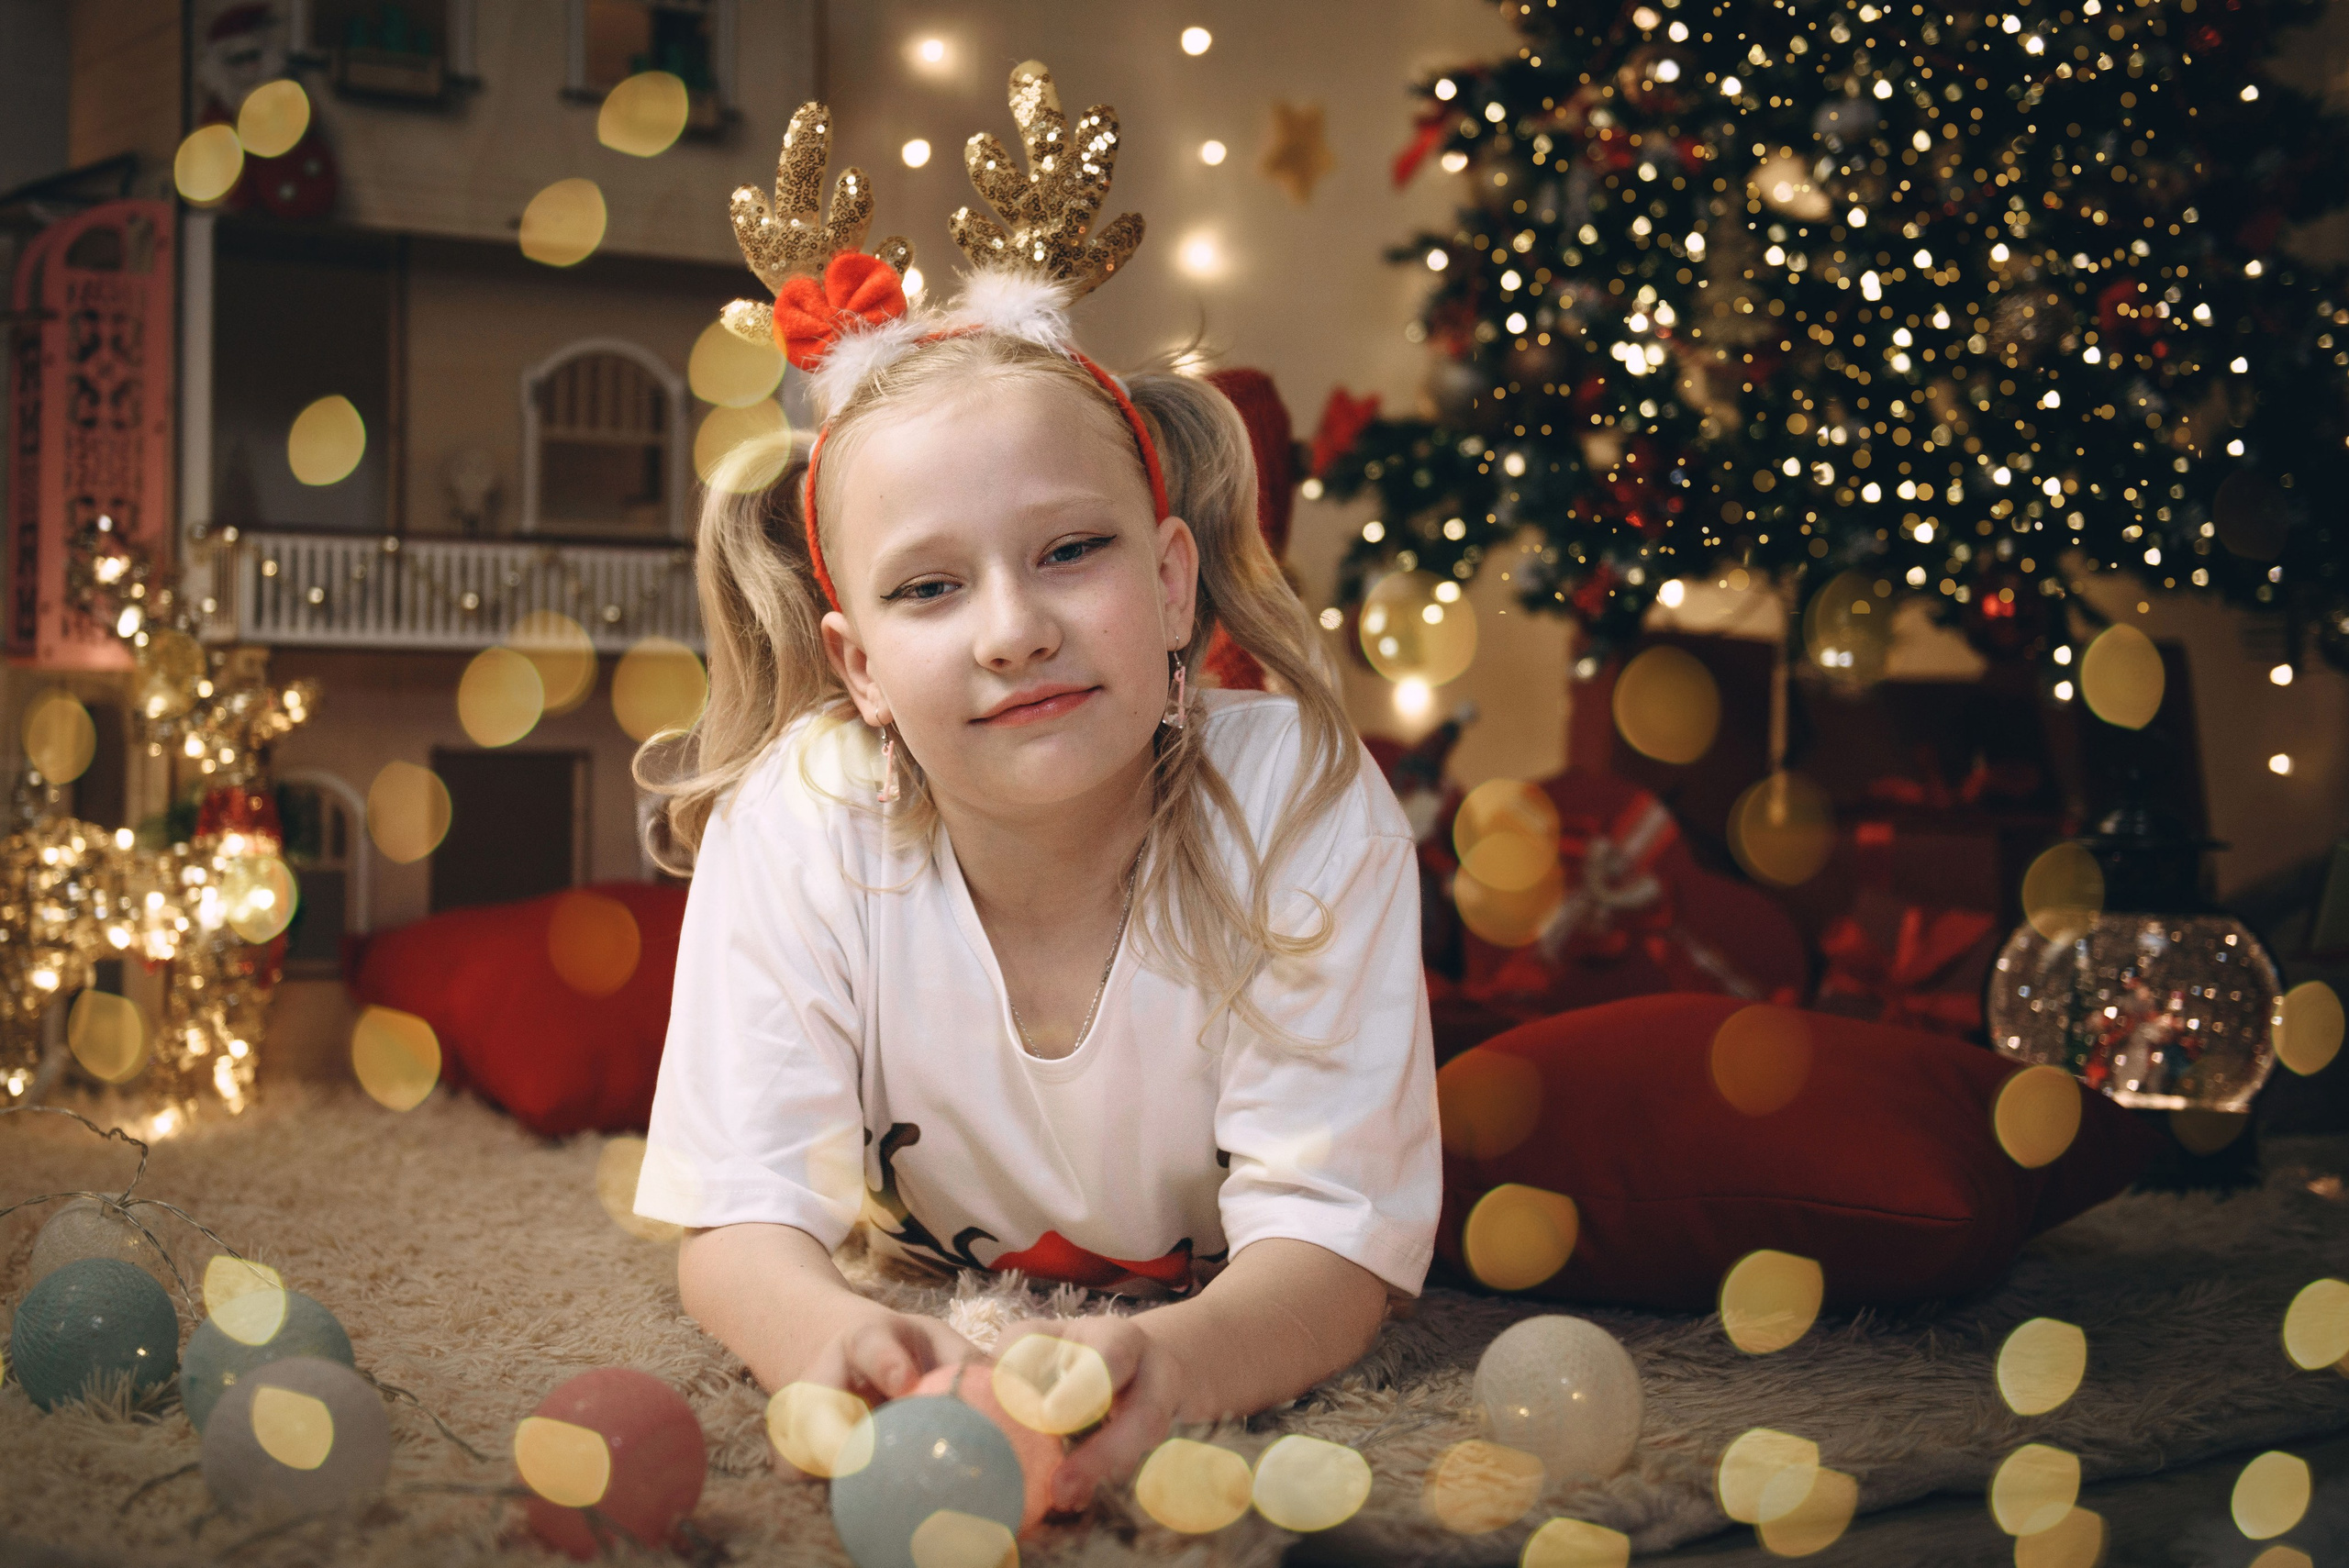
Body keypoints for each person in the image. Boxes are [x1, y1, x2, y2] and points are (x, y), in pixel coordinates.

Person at [630, 73, 1442, 1516]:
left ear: (1175, 583)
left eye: (1071, 549)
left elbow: (1339, 1245)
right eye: (931, 587)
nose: (1013, 627)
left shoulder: (1301, 796)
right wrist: (834, 1336)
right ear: (859, 666)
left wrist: (1177, 1368)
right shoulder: (803, 817)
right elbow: (738, 1211)